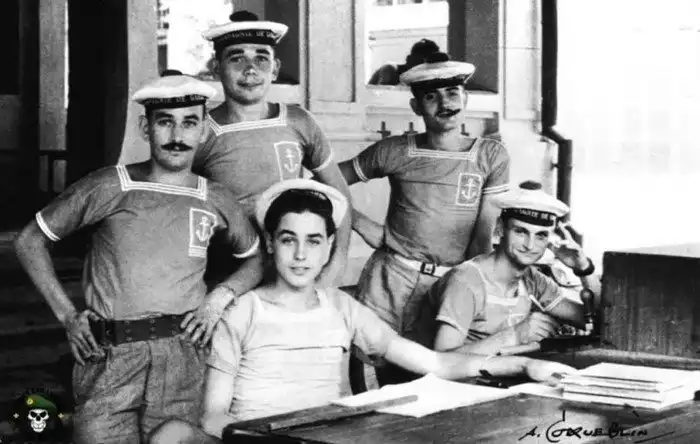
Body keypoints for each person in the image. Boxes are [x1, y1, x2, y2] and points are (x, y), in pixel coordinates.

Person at [148, 179, 576, 443]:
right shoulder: (243, 312)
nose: (301, 255)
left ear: (329, 247)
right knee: (169, 435)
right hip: (254, 438)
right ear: (271, 244)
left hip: (324, 437)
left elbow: (436, 363)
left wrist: (524, 365)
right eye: (288, 240)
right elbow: (213, 415)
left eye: (314, 241)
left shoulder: (342, 308)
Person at [13, 71, 264, 443]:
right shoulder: (109, 184)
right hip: (110, 355)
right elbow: (29, 241)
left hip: (183, 355)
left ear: (203, 131)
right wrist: (67, 316)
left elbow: (257, 259)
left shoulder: (216, 197)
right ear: (146, 129)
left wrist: (218, 298)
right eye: (165, 122)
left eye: (189, 123)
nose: (177, 135)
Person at [340, 52, 510, 383]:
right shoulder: (394, 150)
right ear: (416, 106)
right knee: (381, 371)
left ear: (465, 98)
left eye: (452, 93)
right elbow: (329, 178)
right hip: (391, 279)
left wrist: (479, 292)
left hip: (448, 284)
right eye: (431, 96)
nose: (445, 103)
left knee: (438, 376)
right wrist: (358, 221)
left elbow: (482, 235)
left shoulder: (491, 155)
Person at [197, 10, 352, 286]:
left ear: (276, 68)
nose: (250, 69)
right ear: (216, 67)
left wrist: (336, 262)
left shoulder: (298, 120)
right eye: (236, 58)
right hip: (228, 273)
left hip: (293, 272)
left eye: (261, 58)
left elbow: (338, 191)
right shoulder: (201, 131)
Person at [412, 181, 600, 357]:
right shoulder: (466, 281)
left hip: (498, 374)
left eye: (541, 236)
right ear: (501, 228)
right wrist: (515, 335)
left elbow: (599, 320)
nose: (530, 245)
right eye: (521, 232)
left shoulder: (533, 280)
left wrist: (583, 268)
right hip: (453, 380)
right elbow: (440, 360)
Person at [368, 38, 440, 85]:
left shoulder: (416, 78)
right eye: (420, 62)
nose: (421, 67)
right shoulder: (389, 69)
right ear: (408, 59)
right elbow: (383, 94)